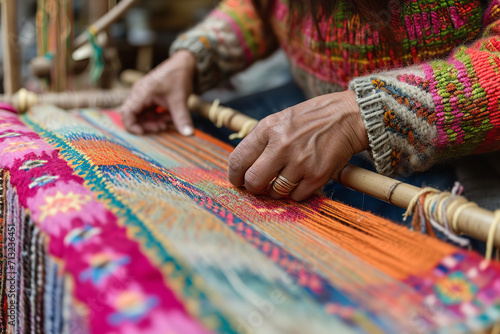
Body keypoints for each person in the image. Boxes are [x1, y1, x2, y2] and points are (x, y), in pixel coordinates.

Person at [121, 0, 500, 209]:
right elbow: (267, 7)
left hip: (462, 162)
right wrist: (195, 56)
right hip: (310, 109)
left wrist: (361, 116)